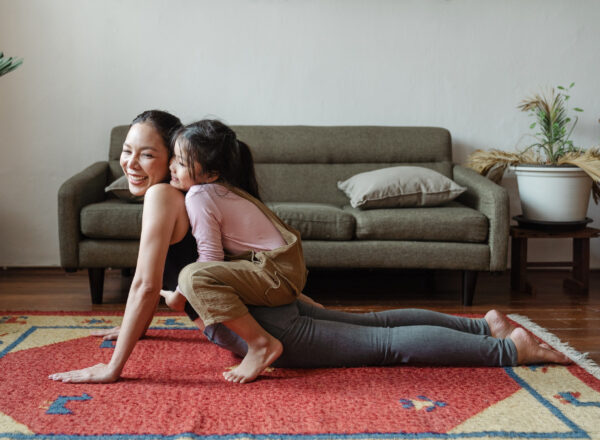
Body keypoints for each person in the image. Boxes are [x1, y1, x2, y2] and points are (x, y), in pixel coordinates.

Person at [48, 113, 570, 385]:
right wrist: (138, 320)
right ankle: (486, 326)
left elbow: (151, 282)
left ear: (177, 159)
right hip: (267, 299)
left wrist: (114, 365)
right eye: (125, 153)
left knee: (386, 346)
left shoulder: (169, 195)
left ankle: (507, 349)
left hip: (266, 324)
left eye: (148, 154)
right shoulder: (202, 192)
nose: (132, 165)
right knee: (378, 325)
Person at [161, 119, 311, 383]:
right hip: (283, 272)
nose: (172, 166)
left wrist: (179, 296)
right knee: (199, 273)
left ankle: (261, 344)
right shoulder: (221, 191)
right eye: (174, 156)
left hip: (276, 276)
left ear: (211, 174)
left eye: (182, 163)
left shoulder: (199, 194)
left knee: (193, 276)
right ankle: (302, 302)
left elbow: (210, 258)